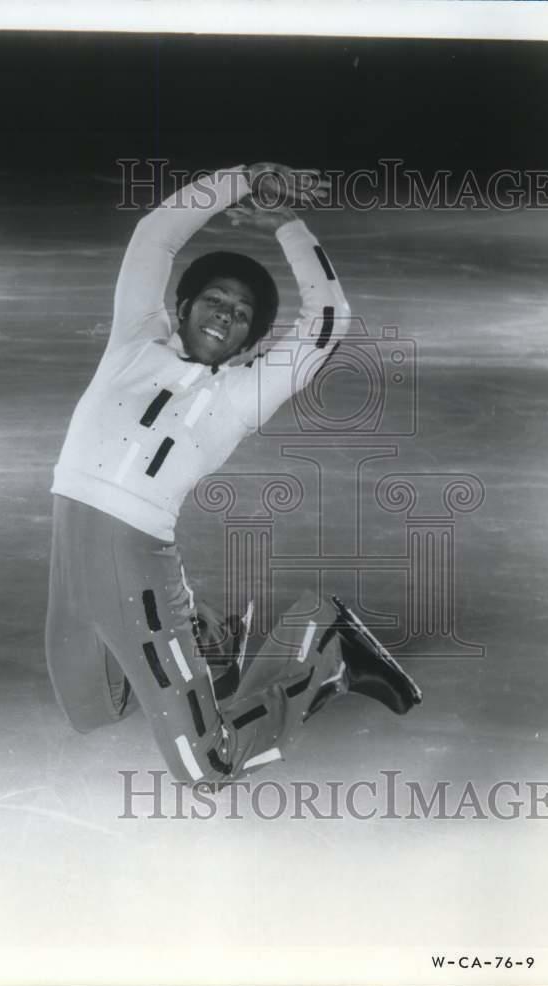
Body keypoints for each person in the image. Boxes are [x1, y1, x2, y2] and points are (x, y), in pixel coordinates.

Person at [46, 162, 421, 786]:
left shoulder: (242, 394)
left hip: (139, 567)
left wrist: (287, 225)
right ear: (183, 306)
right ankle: (207, 637)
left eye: (242, 314)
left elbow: (328, 321)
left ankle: (323, 638)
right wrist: (245, 178)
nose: (225, 314)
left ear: (251, 341)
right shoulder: (134, 342)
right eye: (215, 301)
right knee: (94, 712)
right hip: (71, 553)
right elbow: (154, 235)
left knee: (209, 764)